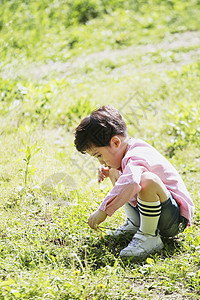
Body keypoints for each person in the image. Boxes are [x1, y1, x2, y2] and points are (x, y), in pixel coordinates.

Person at [74, 105, 194, 258]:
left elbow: (131, 183)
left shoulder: (136, 155)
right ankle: (135, 223)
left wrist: (103, 210)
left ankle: (149, 236)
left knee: (146, 180)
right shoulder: (125, 152)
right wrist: (111, 170)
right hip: (158, 212)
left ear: (116, 143)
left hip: (174, 220)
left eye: (99, 155)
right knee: (115, 170)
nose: (100, 162)